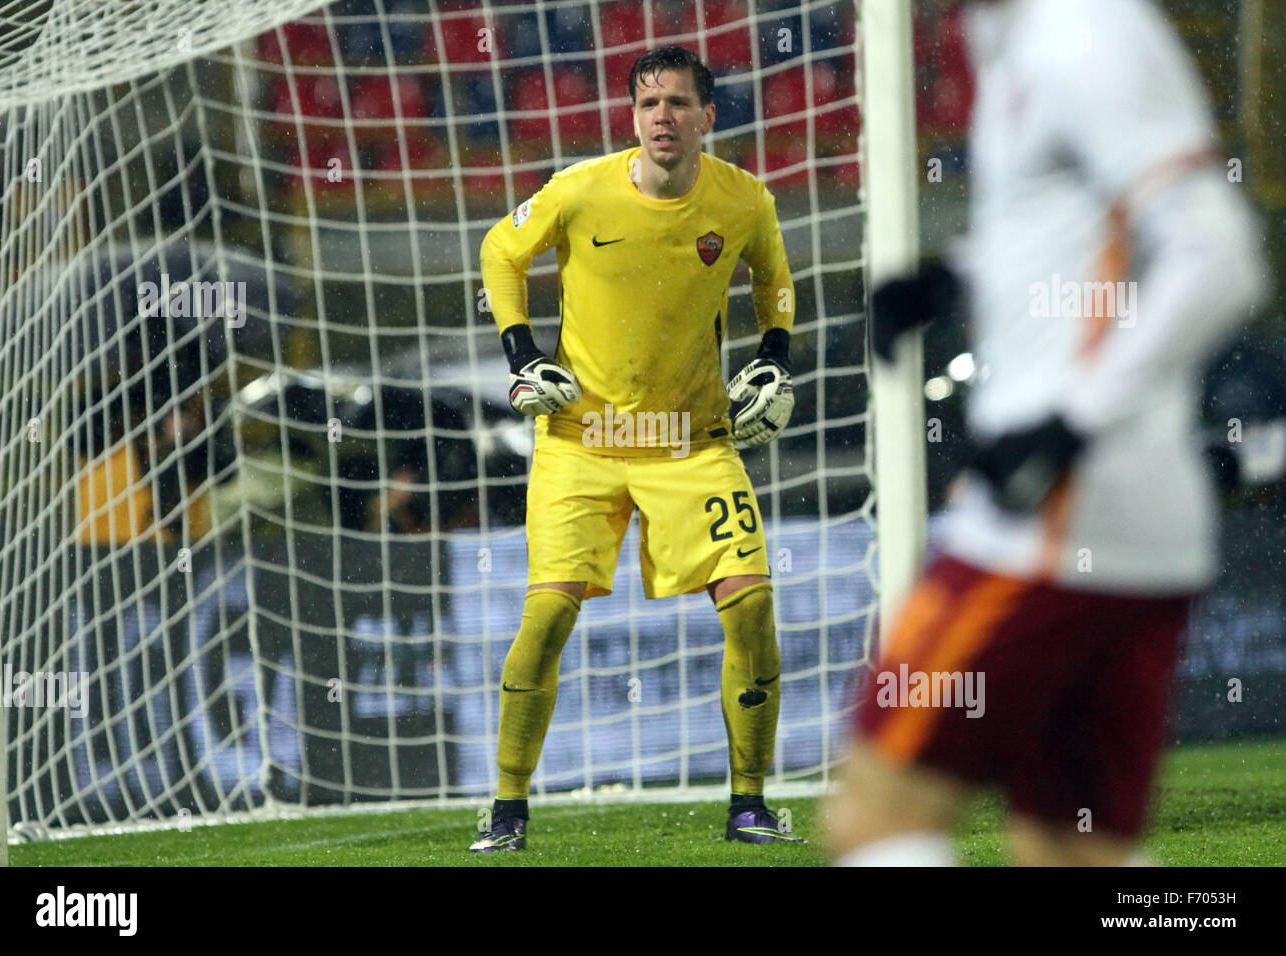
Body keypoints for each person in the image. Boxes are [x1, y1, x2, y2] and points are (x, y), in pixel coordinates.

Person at [823, 0, 1267, 866]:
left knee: (876, 812)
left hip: (1056, 512)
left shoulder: (1084, 36)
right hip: (1115, 512)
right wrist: (954, 276)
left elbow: (1219, 253)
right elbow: (1075, 232)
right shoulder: (1031, 36)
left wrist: (1072, 425)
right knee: (1073, 849)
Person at [470, 45, 801, 852]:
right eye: (649, 104)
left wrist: (775, 356)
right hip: (583, 440)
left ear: (707, 117)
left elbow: (776, 283)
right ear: (632, 116)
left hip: (691, 443)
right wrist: (521, 356)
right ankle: (507, 808)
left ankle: (749, 805)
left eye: (680, 104)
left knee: (752, 605)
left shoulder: (744, 199)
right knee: (547, 614)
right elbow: (500, 251)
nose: (663, 117)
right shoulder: (581, 190)